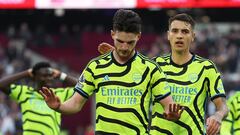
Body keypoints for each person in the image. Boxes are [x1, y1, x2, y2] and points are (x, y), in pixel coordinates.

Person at [40, 9, 183, 135]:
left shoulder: (151, 69)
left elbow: (168, 105)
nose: (124, 47)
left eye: (130, 42)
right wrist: (59, 106)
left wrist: (172, 114)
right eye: (120, 41)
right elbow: (76, 103)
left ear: (138, 36)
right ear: (112, 34)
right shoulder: (96, 66)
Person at [98, 13, 229, 135]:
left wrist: (217, 116)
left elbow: (222, 105)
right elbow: (127, 78)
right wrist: (120, 58)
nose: (179, 36)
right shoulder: (154, 65)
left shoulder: (206, 67)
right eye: (175, 31)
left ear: (193, 36)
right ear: (168, 35)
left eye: (185, 31)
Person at [0, 62, 77, 135]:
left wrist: (61, 75)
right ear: (34, 77)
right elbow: (1, 84)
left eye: (50, 75)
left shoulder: (58, 94)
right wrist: (26, 73)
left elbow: (83, 88)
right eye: (44, 76)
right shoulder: (24, 92)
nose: (48, 78)